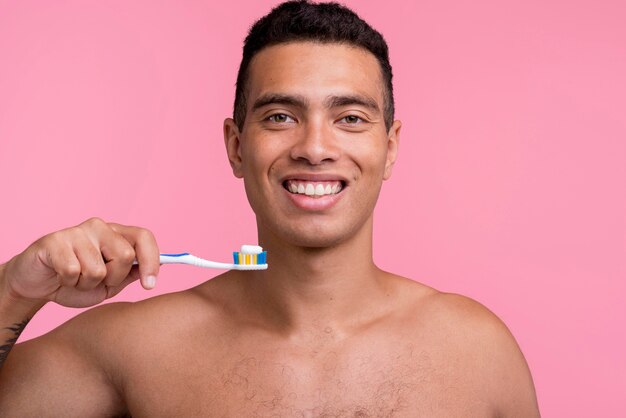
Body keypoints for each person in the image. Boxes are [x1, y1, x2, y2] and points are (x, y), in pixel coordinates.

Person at [0, 1, 540, 416]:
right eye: (281, 116)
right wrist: (13, 291)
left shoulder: (476, 351)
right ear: (237, 146)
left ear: (390, 147)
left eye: (350, 117)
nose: (315, 146)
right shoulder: (131, 349)